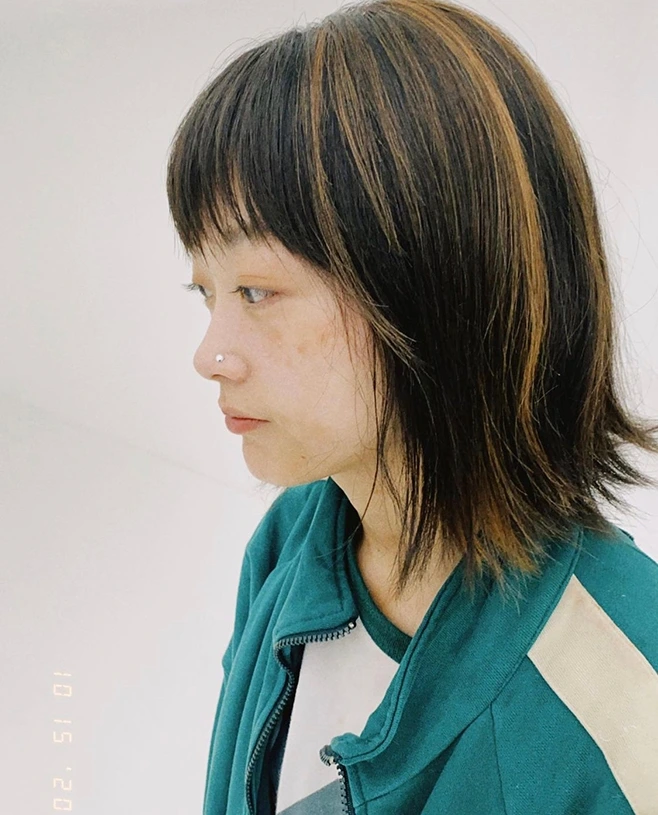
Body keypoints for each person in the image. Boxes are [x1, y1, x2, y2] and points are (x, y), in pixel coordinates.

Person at [165, 1, 658, 812]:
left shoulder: (627, 687)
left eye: (256, 290)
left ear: (435, 282)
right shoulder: (293, 541)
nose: (210, 353)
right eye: (205, 292)